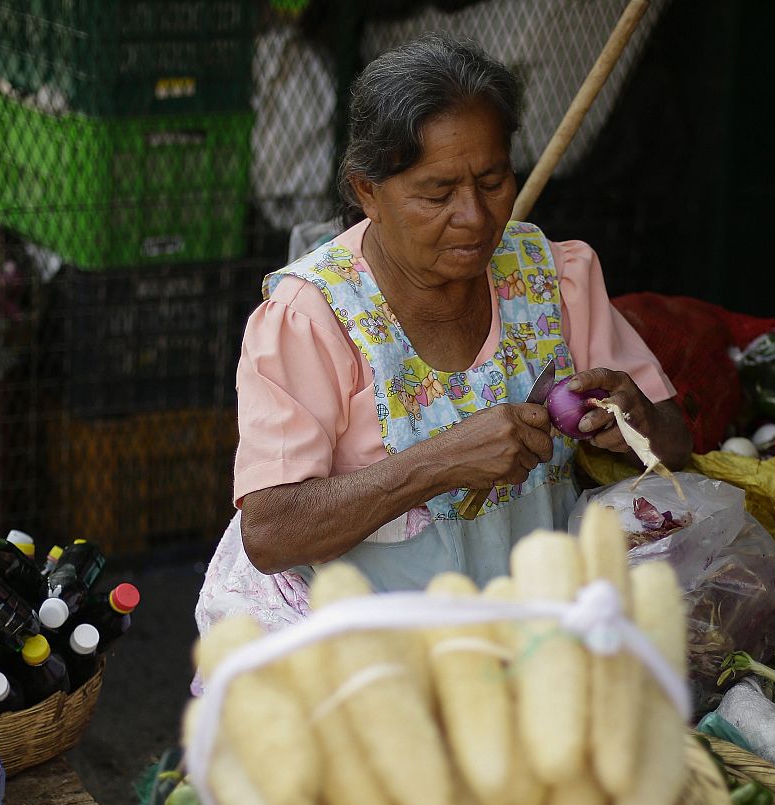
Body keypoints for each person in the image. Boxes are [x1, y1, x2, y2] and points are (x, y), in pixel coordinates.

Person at [195, 34, 689, 637]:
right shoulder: (313, 317)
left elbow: (675, 444)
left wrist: (636, 422)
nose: (476, 218)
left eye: (493, 181)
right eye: (438, 193)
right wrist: (442, 461)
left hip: (541, 627)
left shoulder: (553, 277)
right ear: (367, 191)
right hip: (375, 646)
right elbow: (271, 533)